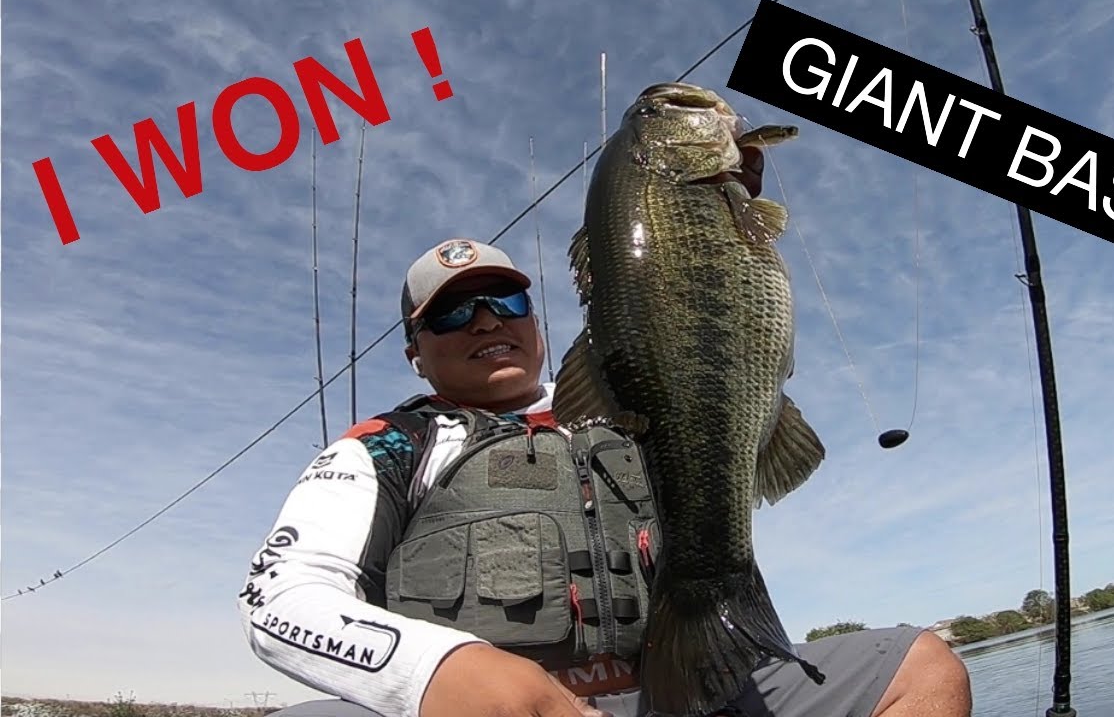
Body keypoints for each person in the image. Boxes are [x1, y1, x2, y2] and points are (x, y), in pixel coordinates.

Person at [237, 147, 972, 717]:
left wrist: (717, 216)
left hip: (683, 690)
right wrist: (440, 673)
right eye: (453, 314)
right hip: (483, 706)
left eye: (505, 302)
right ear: (415, 354)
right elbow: (279, 598)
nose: (486, 322)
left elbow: (713, 349)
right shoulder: (388, 446)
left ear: (535, 322)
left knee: (921, 667)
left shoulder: (629, 402)